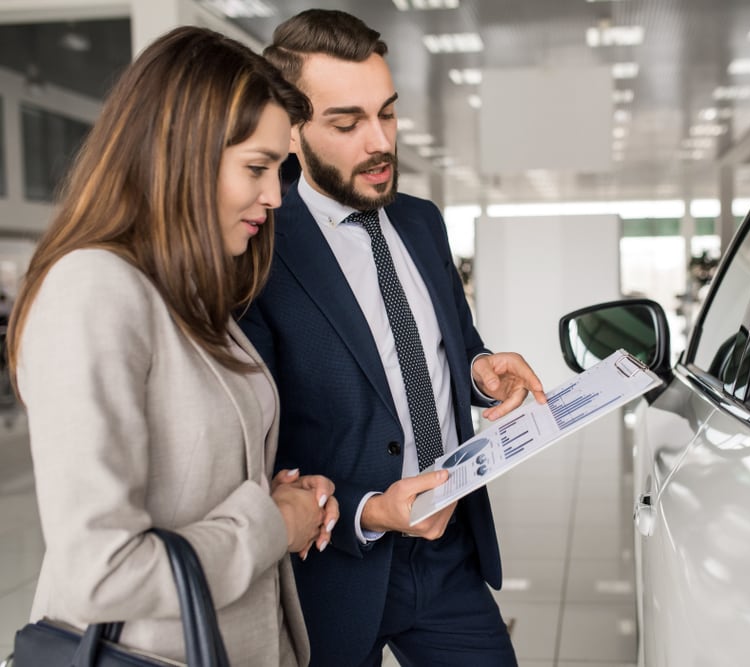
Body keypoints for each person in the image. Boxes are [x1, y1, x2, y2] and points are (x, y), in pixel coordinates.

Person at [6, 26, 340, 667]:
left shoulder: (188, 296)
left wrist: (282, 498)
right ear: (181, 155)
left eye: (279, 170)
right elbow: (100, 573)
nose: (274, 196)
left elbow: (188, 483)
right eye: (257, 168)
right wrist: (272, 524)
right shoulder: (94, 291)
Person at [238, 9, 547, 666]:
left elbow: (450, 343)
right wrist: (370, 509)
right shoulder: (258, 247)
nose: (379, 141)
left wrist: (481, 367)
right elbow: (251, 447)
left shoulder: (421, 220)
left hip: (448, 553)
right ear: (290, 130)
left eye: (388, 113)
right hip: (335, 567)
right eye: (347, 124)